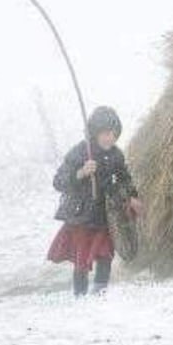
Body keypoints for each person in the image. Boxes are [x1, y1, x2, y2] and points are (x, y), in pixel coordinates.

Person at [47, 106, 143, 295]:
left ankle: (100, 294)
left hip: (106, 216)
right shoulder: (81, 152)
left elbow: (125, 179)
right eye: (105, 133)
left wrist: (131, 197)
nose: (110, 138)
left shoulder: (116, 154)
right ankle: (80, 296)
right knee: (82, 261)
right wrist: (81, 173)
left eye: (114, 134)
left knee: (105, 256)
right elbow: (59, 181)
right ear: (95, 133)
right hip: (82, 218)